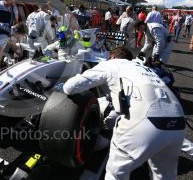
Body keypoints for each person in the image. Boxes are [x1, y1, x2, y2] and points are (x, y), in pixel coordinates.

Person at [60, 46, 185, 180]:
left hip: (144, 123)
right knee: (164, 176)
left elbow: (70, 87)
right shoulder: (144, 68)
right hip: (178, 122)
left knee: (115, 175)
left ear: (113, 56)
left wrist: (62, 88)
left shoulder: (112, 64)